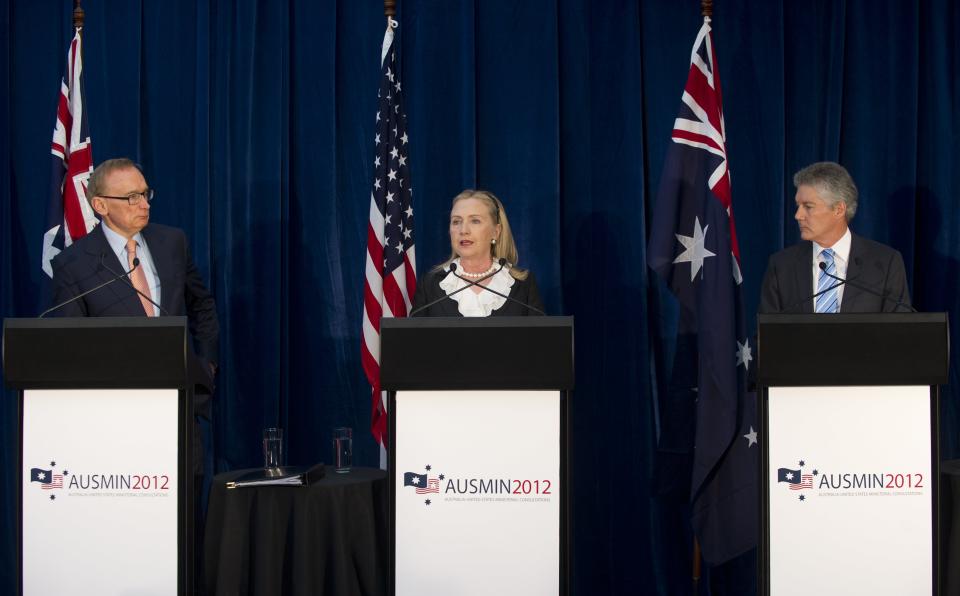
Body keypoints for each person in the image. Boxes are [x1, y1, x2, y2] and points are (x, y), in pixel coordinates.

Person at [760, 161, 911, 314]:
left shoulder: (884, 263)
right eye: (798, 206)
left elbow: (899, 331)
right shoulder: (782, 265)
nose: (798, 215)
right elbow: (764, 333)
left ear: (839, 210)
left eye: (808, 206)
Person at [411, 189, 544, 316]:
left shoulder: (523, 285)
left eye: (475, 221)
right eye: (456, 221)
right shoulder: (430, 285)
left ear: (495, 232)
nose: (463, 230)